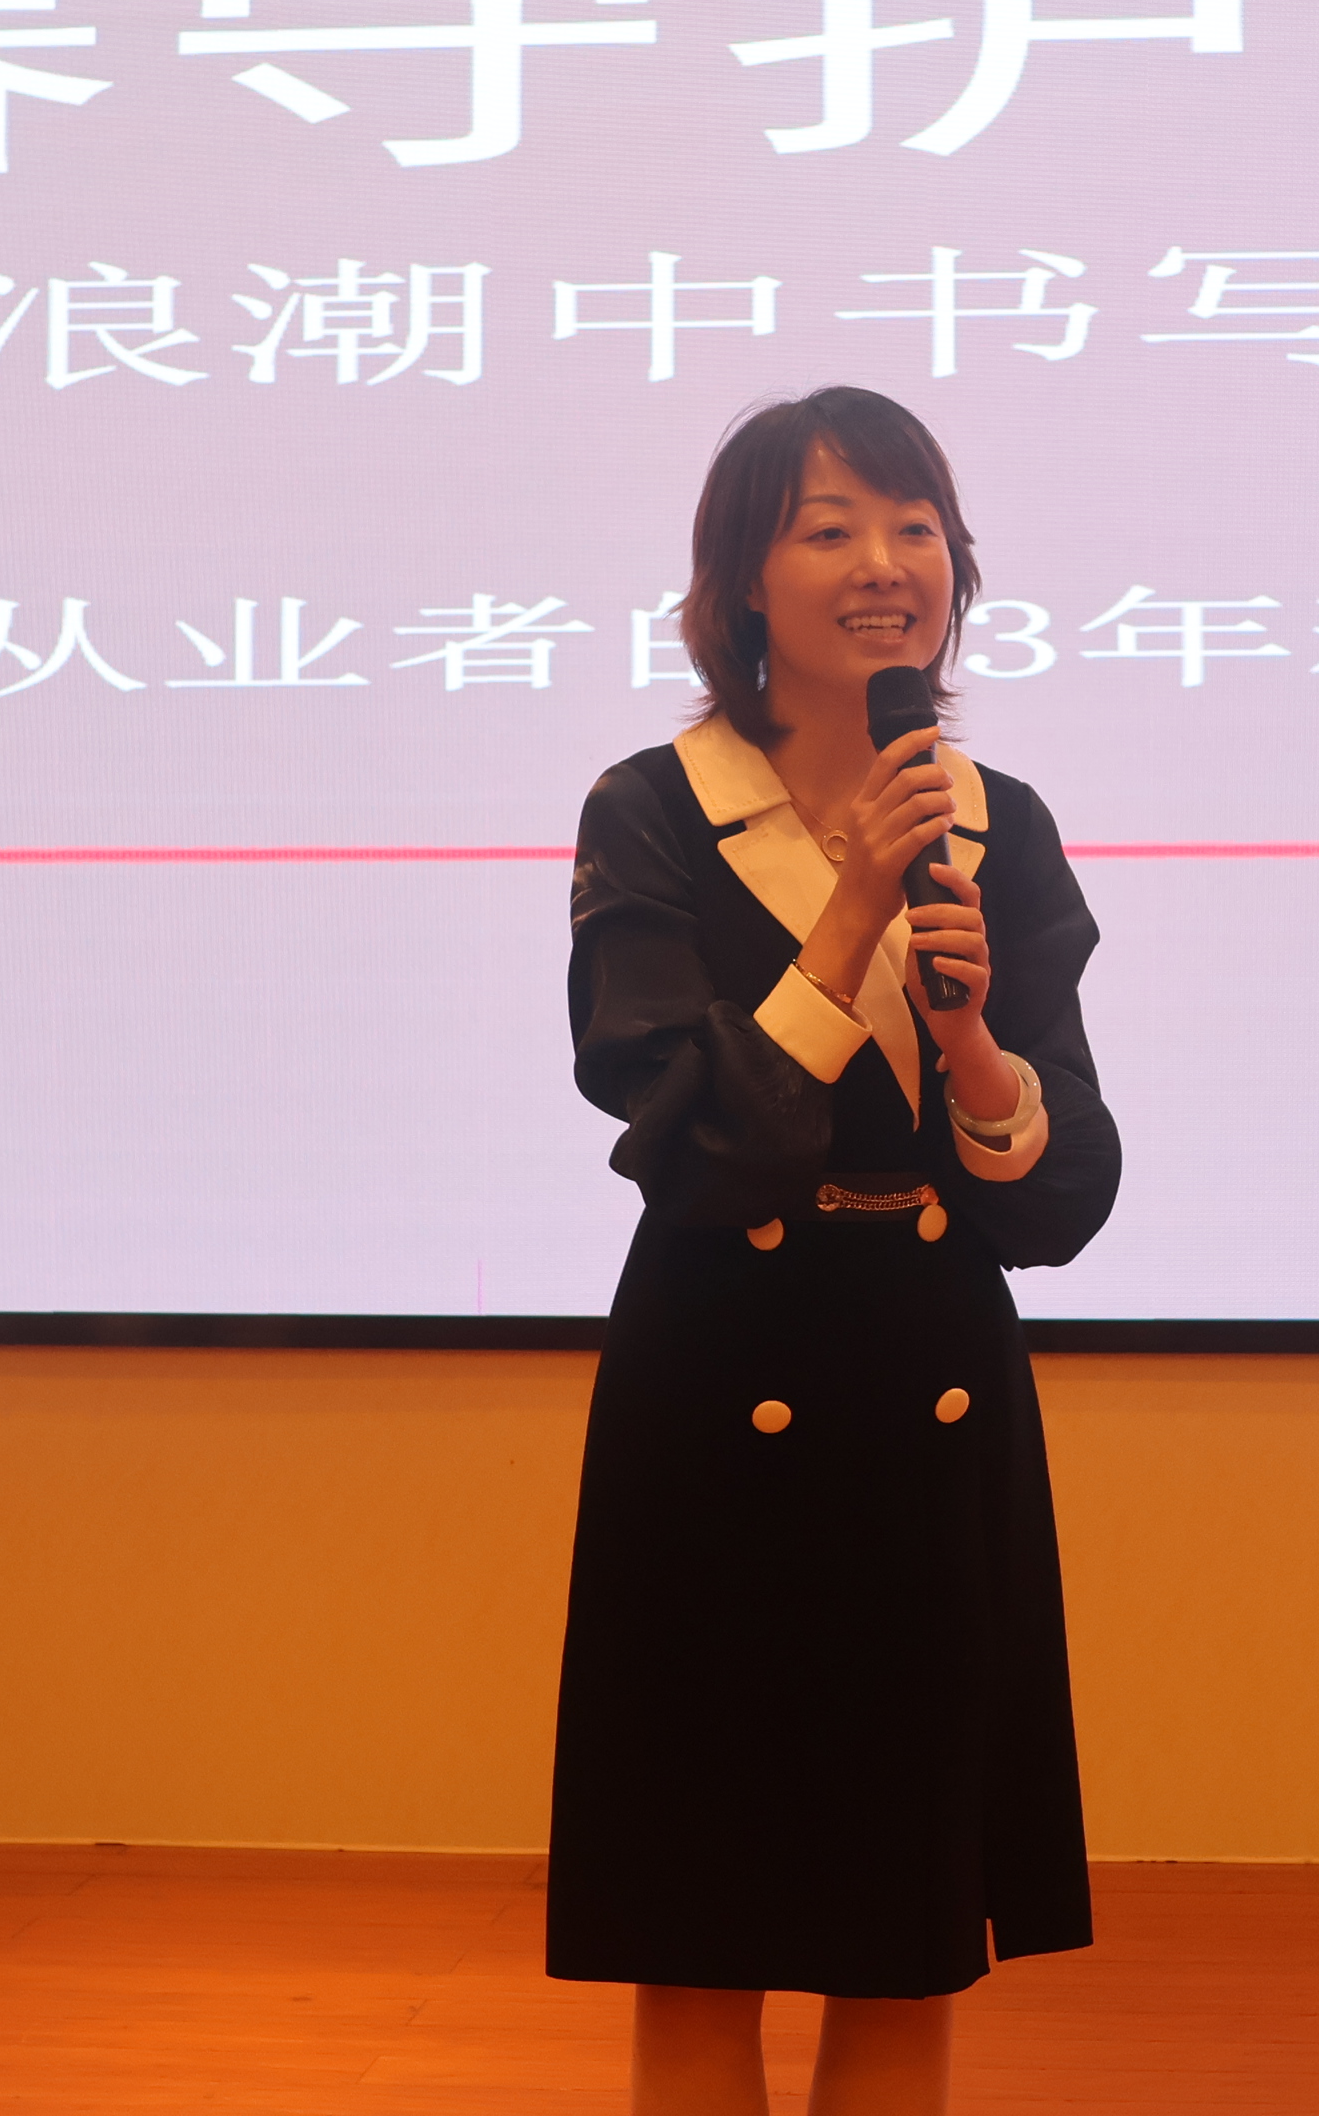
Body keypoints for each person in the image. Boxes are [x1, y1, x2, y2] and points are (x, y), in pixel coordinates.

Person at [550, 386, 1121, 2116]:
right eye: (830, 528)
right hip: (721, 1387)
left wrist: (973, 1053)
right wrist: (855, 903)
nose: (885, 563)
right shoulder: (652, 810)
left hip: (928, 1392)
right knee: (699, 1917)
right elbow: (688, 1142)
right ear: (743, 581)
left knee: (907, 1922)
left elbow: (1062, 1201)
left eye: (914, 527)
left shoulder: (1000, 820)